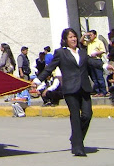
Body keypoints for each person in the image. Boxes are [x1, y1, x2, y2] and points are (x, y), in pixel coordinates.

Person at [35, 28, 102, 157]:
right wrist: (38, 80)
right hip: (71, 89)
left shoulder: (82, 52)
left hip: (84, 88)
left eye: (74, 36)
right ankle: (78, 147)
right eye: (70, 37)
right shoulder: (61, 53)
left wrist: (104, 66)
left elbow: (90, 61)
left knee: (87, 115)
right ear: (65, 40)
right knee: (75, 116)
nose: (73, 39)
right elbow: (50, 68)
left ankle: (75, 138)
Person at [83, 30, 107, 96]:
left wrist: (96, 53)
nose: (90, 36)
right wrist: (85, 35)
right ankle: (97, 91)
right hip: (90, 60)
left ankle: (103, 91)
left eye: (91, 35)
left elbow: (103, 50)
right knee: (94, 78)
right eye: (89, 35)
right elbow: (81, 41)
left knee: (99, 77)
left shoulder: (99, 42)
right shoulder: (89, 42)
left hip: (97, 60)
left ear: (95, 35)